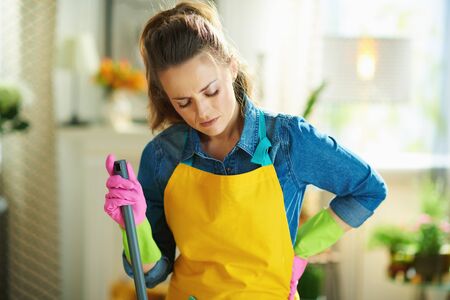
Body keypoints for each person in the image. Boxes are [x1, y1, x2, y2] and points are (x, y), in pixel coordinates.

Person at [104, 1, 388, 299]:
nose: (203, 112)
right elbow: (152, 273)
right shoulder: (163, 156)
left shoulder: (288, 141)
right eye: (183, 102)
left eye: (211, 91)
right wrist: (133, 225)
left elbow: (368, 188)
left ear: (231, 66)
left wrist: (301, 250)